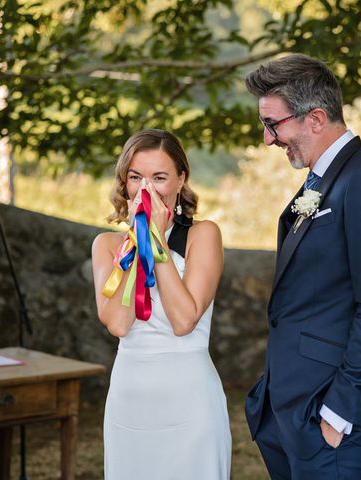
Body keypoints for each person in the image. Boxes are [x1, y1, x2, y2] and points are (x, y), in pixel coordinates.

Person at [243, 54, 361, 479]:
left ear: (315, 119)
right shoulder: (322, 180)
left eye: (273, 124)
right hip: (291, 411)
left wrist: (339, 412)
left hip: (329, 416)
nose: (268, 140)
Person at [91, 129, 231, 479]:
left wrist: (157, 243)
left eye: (159, 177)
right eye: (136, 177)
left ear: (181, 180)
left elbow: (184, 321)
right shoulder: (107, 245)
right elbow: (120, 324)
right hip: (129, 398)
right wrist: (137, 244)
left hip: (189, 397)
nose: (146, 188)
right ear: (124, 182)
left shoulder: (204, 235)